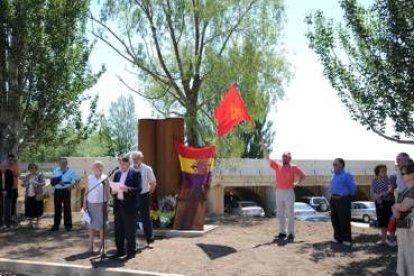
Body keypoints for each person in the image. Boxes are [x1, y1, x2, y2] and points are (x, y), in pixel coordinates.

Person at [260, 142, 305, 241]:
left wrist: (297, 183)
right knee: (280, 213)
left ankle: (291, 233)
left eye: (286, 157)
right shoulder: (278, 165)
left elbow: (303, 175)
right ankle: (282, 232)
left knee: (290, 213)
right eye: (283, 156)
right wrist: (264, 149)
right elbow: (267, 159)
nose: (284, 158)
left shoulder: (294, 167)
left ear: (289, 158)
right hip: (279, 191)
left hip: (289, 191)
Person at [111, 156, 142, 259]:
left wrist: (127, 189)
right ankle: (120, 251)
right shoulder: (117, 174)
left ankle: (131, 252)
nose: (122, 166)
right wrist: (113, 192)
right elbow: (113, 189)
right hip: (118, 206)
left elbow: (139, 189)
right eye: (121, 164)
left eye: (124, 164)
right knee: (118, 230)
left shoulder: (135, 173)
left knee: (130, 231)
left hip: (129, 207)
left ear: (129, 163)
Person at [130, 151, 157, 248]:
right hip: (132, 197)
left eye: (136, 158)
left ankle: (149, 240)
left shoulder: (147, 169)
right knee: (131, 219)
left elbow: (153, 183)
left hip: (143, 195)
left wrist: (149, 193)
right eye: (133, 159)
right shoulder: (130, 169)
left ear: (141, 159)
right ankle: (133, 241)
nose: (134, 161)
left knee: (146, 218)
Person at [392, 163, 414, 276]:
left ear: (412, 175)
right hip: (403, 228)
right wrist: (396, 207)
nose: (401, 176)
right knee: (404, 255)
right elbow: (397, 214)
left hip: (411, 230)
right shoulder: (405, 190)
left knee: (411, 256)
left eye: (403, 173)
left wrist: (396, 206)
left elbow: (404, 207)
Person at [329, 158, 357, 247]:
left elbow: (353, 188)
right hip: (333, 199)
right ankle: (338, 238)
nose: (334, 166)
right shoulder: (333, 175)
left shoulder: (347, 175)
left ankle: (346, 239)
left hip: (343, 199)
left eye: (335, 164)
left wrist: (347, 196)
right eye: (333, 164)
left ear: (341, 165)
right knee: (335, 220)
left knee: (344, 219)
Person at [83, 161, 109, 253]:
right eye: (96, 166)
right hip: (91, 204)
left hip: (102, 204)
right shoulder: (89, 178)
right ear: (93, 168)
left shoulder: (105, 178)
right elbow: (86, 192)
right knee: (91, 226)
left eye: (100, 166)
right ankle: (90, 246)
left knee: (102, 226)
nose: (99, 168)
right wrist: (84, 204)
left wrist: (108, 205)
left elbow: (107, 192)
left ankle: (101, 246)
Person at [49, 158, 80, 231]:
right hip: (57, 190)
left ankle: (68, 226)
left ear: (67, 163)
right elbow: (52, 180)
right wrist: (58, 182)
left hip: (66, 190)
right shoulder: (56, 170)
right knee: (57, 208)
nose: (62, 164)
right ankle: (56, 226)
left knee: (67, 208)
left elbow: (78, 179)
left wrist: (72, 186)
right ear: (59, 163)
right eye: (61, 163)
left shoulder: (71, 171)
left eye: (64, 163)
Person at [371, 164, 396, 246]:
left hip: (389, 203)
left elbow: (390, 189)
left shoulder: (389, 179)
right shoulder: (374, 180)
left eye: (385, 170)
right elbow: (372, 190)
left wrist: (380, 195)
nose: (385, 172)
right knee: (382, 221)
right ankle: (383, 239)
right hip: (379, 203)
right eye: (382, 170)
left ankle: (392, 240)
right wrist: (376, 196)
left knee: (391, 221)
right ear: (377, 172)